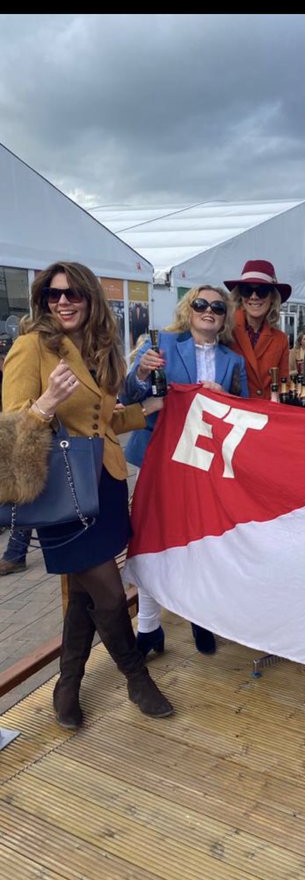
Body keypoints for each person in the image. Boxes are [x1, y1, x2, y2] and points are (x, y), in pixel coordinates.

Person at [1, 261, 173, 729]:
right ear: (43, 300)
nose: (63, 302)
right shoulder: (29, 347)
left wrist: (143, 411)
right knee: (111, 596)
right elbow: (10, 434)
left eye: (74, 293)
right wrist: (46, 404)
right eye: (54, 295)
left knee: (84, 593)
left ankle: (67, 684)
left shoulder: (101, 347)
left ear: (90, 298)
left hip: (106, 485)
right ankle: (136, 678)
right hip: (61, 493)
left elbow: (102, 425)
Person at [123, 285, 248, 658]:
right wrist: (143, 372)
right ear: (188, 308)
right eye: (201, 304)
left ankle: (200, 616)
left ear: (225, 317)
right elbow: (129, 394)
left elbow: (243, 411)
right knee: (151, 537)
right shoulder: (161, 344)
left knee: (201, 541)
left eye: (217, 307)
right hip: (159, 459)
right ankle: (148, 626)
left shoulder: (232, 361)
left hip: (202, 465)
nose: (209, 311)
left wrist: (221, 397)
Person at [223, 260, 291, 399]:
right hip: (233, 411)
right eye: (247, 291)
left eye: (262, 291)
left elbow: (284, 384)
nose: (254, 297)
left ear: (272, 297)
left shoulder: (280, 339)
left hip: (265, 414)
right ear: (240, 296)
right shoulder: (225, 328)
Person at [0, 335, 33, 575]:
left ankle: (15, 553)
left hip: (19, 441)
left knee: (24, 501)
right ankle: (14, 553)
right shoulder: (23, 352)